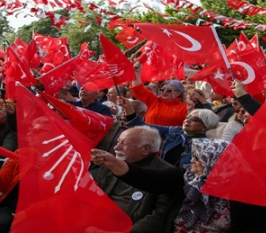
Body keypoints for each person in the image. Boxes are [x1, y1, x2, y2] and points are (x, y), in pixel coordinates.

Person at [92, 138, 231, 232]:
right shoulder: (185, 177)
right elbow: (148, 178)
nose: (192, 161)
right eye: (193, 155)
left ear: (215, 161)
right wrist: (114, 163)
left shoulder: (237, 192)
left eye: (198, 158)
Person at [92, 126, 180, 233]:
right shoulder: (110, 164)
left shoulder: (165, 175)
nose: (116, 148)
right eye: (118, 142)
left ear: (145, 149)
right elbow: (92, 195)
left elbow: (158, 218)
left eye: (123, 143)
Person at [121, 97, 219, 169]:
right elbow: (142, 126)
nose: (187, 120)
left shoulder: (207, 146)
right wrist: (128, 107)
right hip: (162, 174)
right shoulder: (175, 131)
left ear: (205, 126)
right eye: (188, 117)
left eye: (194, 119)